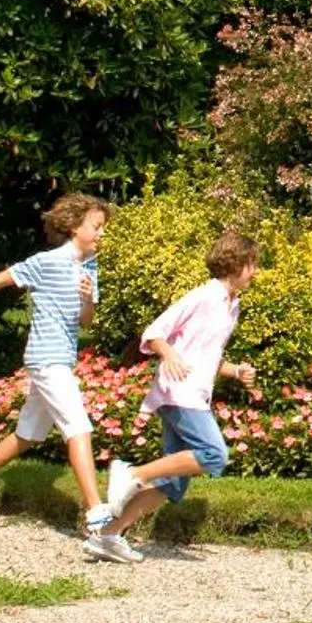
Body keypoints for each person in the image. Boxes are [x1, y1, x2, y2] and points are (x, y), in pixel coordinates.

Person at [0, 191, 115, 538]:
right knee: (79, 427)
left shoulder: (90, 267)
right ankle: (96, 513)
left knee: (28, 435)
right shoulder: (47, 262)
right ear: (75, 227)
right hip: (46, 359)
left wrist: (85, 296)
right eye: (96, 227)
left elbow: (86, 323)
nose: (101, 234)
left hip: (61, 358)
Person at [84, 228, 262, 564]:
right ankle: (133, 473)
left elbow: (204, 353)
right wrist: (168, 355)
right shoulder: (204, 296)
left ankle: (108, 537)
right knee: (213, 455)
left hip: (194, 390)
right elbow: (155, 332)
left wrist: (235, 371)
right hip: (178, 391)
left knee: (173, 484)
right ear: (236, 263)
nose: (255, 272)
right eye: (252, 264)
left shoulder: (231, 306)